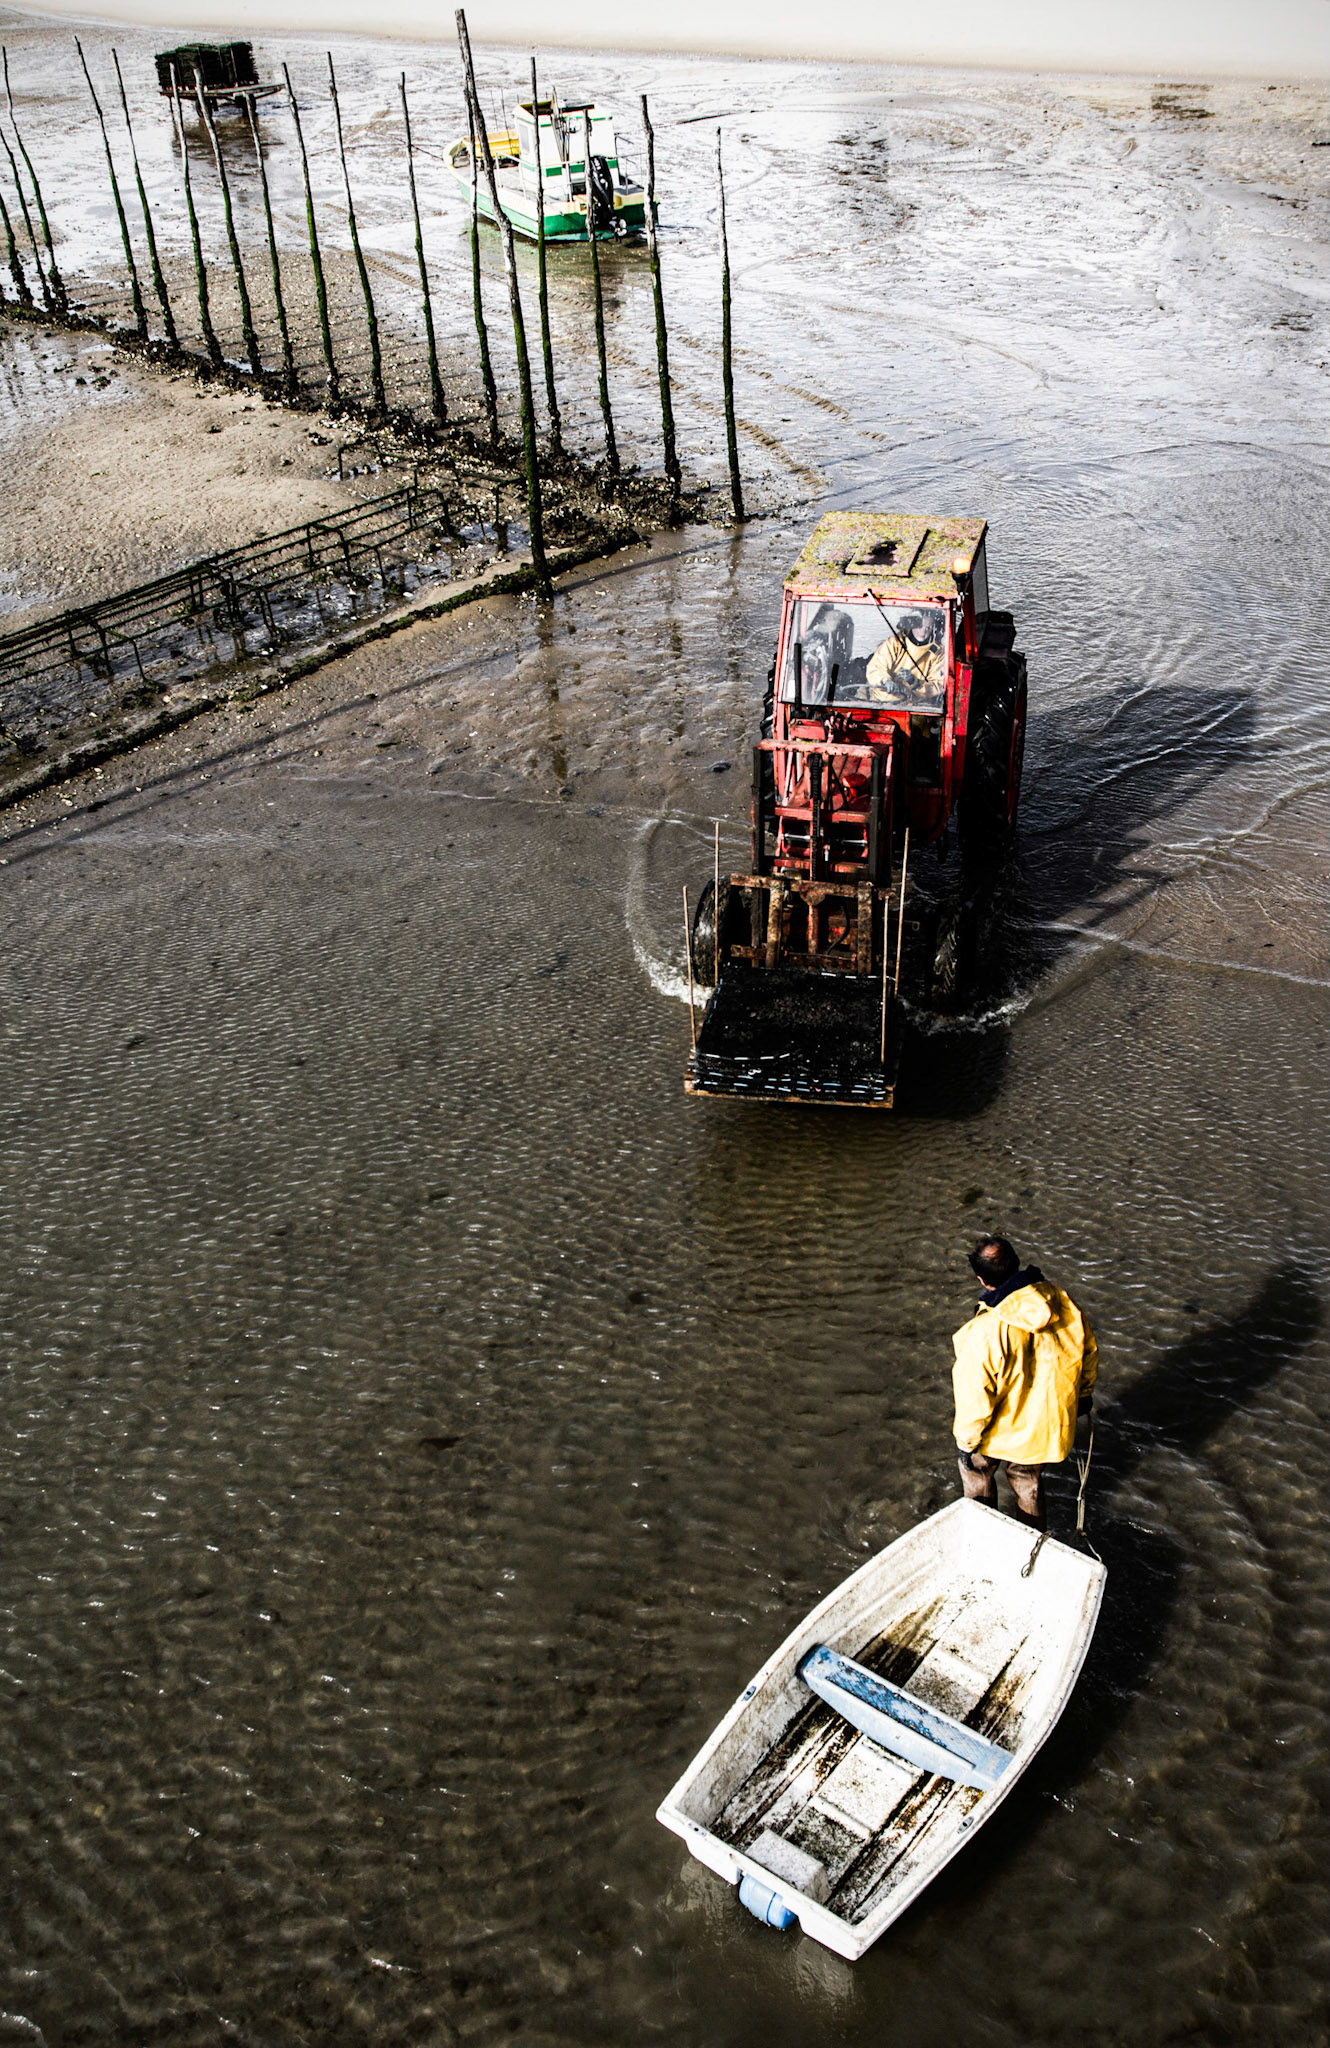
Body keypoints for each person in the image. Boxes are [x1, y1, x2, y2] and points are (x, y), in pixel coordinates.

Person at [951, 1235, 1097, 1531]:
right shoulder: (1061, 1300)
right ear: (1016, 1263)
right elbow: (1087, 1351)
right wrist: (1083, 1395)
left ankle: (981, 1533)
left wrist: (966, 1443)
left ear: (982, 1280)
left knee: (977, 1472)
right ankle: (1033, 1538)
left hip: (998, 1430)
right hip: (1040, 1428)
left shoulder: (985, 1330)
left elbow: (974, 1396)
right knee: (1028, 1481)